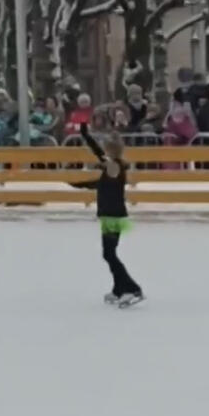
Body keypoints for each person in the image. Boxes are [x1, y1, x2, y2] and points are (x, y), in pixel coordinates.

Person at [72, 122, 143, 307]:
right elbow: (98, 159)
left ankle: (132, 288)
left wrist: (88, 138)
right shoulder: (114, 165)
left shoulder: (113, 166)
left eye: (106, 148)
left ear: (111, 150)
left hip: (113, 216)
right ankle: (119, 288)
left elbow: (100, 160)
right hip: (110, 215)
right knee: (108, 253)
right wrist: (86, 136)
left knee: (109, 254)